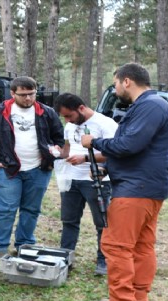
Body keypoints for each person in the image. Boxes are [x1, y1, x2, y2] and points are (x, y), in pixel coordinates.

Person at [81, 63, 168, 301]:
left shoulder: (151, 106)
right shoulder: (149, 107)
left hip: (137, 189)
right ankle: (136, 299)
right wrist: (106, 169)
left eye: (115, 83)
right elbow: (141, 149)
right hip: (145, 187)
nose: (114, 89)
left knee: (115, 244)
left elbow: (129, 145)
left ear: (127, 81)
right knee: (142, 246)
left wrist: (94, 142)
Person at [0, 76, 64, 258]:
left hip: (39, 169)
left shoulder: (47, 112)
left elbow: (58, 137)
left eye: (32, 94)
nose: (28, 98)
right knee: (6, 209)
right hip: (7, 170)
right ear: (12, 93)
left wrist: (52, 157)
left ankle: (25, 244)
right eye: (23, 95)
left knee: (31, 209)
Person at [51, 92, 118, 275]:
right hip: (71, 180)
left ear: (81, 108)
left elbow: (113, 152)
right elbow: (68, 149)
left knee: (102, 223)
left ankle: (103, 261)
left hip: (97, 180)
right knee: (69, 220)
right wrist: (59, 152)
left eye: (69, 116)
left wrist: (85, 158)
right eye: (64, 117)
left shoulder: (106, 124)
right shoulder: (70, 126)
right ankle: (66, 258)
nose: (67, 121)